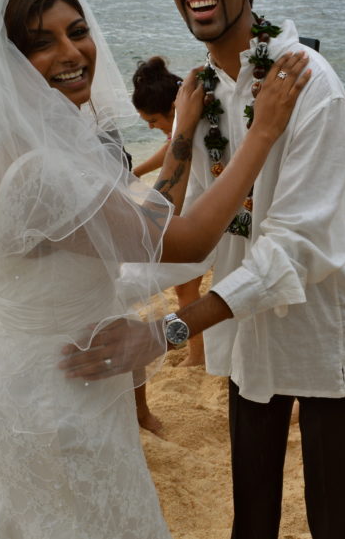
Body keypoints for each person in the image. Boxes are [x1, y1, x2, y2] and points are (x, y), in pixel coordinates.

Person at [0, 0, 309, 539]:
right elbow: (181, 240)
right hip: (64, 399)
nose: (71, 53)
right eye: (42, 43)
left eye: (78, 30)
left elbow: (132, 234)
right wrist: (263, 132)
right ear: (8, 63)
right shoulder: (41, 171)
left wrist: (182, 137)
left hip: (19, 383)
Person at [62, 0, 345, 539]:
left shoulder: (304, 82)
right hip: (249, 341)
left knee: (337, 523)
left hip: (326, 339)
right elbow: (199, 234)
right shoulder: (204, 89)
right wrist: (105, 293)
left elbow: (300, 248)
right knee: (251, 519)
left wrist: (168, 332)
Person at [129, 56, 208, 435]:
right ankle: (198, 352)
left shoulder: (190, 125)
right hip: (187, 204)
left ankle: (196, 352)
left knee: (181, 281)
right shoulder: (184, 120)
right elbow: (170, 143)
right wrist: (140, 171)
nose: (155, 129)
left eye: (153, 122)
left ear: (170, 113)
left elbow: (175, 145)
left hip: (197, 211)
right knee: (186, 287)